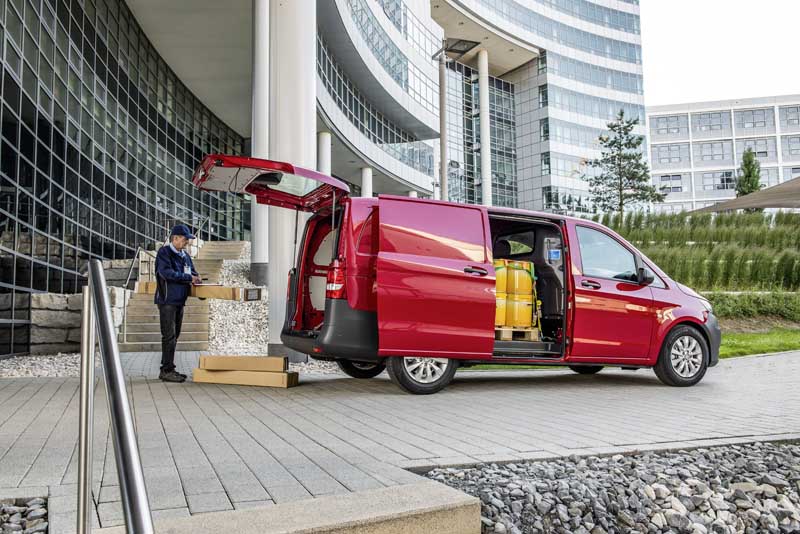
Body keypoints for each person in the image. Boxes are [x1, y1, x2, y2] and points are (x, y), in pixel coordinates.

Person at [154, 224, 201, 382]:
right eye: (185, 238)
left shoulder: (185, 256)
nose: (187, 241)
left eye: (188, 239)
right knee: (169, 336)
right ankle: (166, 370)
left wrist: (197, 279)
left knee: (175, 336)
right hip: (167, 301)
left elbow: (193, 273)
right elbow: (166, 273)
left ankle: (168, 367)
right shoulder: (164, 253)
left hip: (180, 301)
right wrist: (189, 278)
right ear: (175, 238)